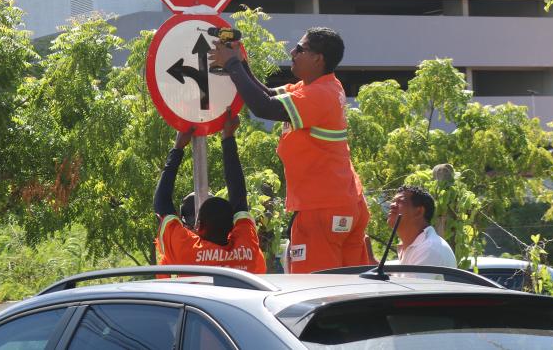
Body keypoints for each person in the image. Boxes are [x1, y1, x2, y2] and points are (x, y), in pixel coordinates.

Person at [210, 27, 369, 273]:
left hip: (321, 209)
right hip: (345, 204)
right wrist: (241, 63)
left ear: (318, 58)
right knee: (350, 288)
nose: (292, 52)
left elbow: (263, 108)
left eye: (300, 49)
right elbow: (268, 95)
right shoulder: (322, 86)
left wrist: (231, 64)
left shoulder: (318, 94)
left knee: (316, 290)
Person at [153, 112, 266, 274]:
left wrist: (177, 148)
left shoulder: (187, 252)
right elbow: (239, 197)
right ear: (233, 226)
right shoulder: (248, 249)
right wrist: (228, 137)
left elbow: (161, 203)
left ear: (198, 226)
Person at [389, 185, 457, 268]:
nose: (392, 205)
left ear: (419, 211)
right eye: (393, 201)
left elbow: (410, 281)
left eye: (401, 201)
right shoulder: (413, 247)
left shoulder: (429, 249)